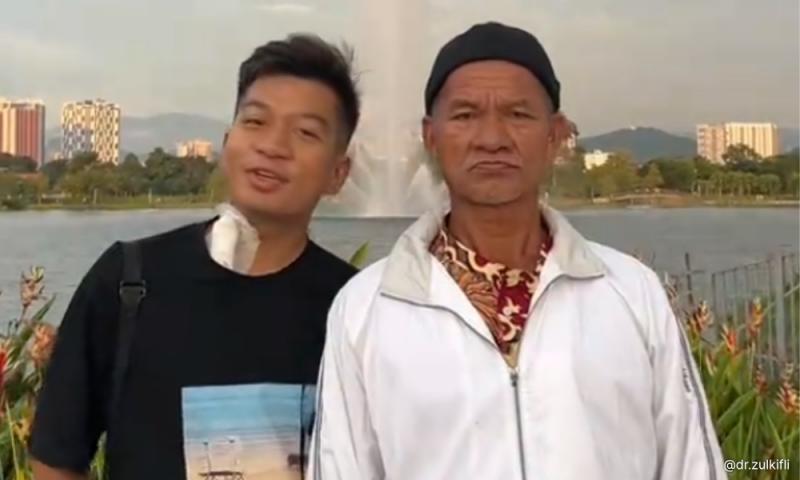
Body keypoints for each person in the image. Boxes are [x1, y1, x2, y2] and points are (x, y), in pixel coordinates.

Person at [309, 22, 726, 480]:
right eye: (465, 115)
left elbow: (691, 463)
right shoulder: (366, 309)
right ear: (431, 137)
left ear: (556, 135)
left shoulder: (632, 293)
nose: (492, 138)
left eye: (519, 114)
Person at [30, 34, 360, 480]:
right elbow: (56, 457)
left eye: (305, 132)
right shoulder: (129, 283)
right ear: (227, 142)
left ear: (338, 173)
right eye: (255, 121)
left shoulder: (355, 309)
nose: (273, 146)